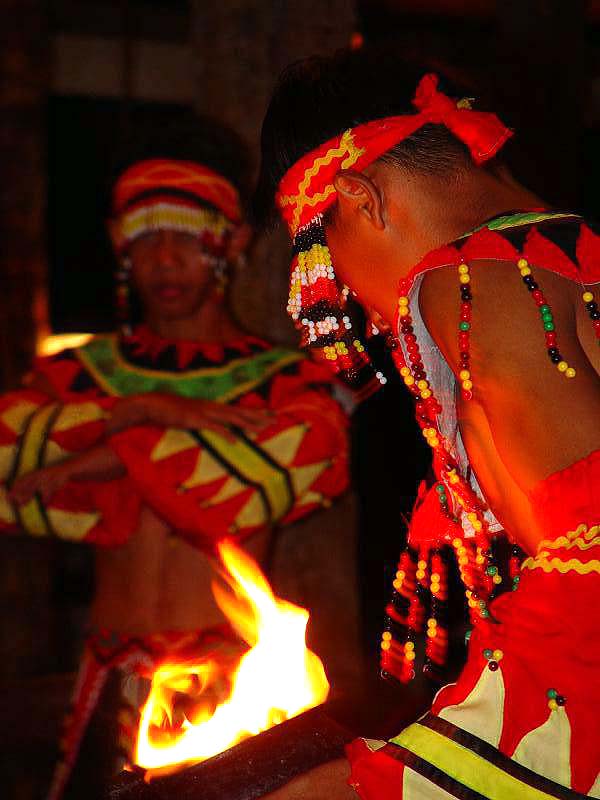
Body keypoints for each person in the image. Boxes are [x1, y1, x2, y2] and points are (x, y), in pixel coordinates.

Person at [254, 49, 600, 799]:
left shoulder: (467, 278)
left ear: (360, 198)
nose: (347, 297)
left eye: (321, 257)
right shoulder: (570, 251)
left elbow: (587, 545)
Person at [0, 117, 349, 798]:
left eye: (185, 239)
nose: (165, 260)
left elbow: (282, 474)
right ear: (118, 247)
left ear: (233, 244)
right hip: (110, 667)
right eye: (146, 239)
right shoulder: (83, 373)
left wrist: (93, 458)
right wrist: (142, 412)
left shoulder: (286, 382)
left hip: (227, 673)